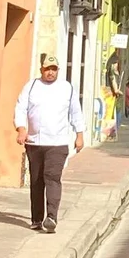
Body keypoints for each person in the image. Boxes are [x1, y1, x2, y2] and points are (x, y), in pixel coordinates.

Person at [14, 55, 85, 232]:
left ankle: (51, 217)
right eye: (47, 69)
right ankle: (37, 219)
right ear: (41, 70)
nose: (51, 72)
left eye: (54, 69)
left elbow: (75, 112)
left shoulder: (66, 88)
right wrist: (21, 129)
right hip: (34, 142)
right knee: (37, 181)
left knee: (52, 178)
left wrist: (79, 135)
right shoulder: (31, 87)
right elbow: (20, 108)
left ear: (58, 70)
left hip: (57, 143)